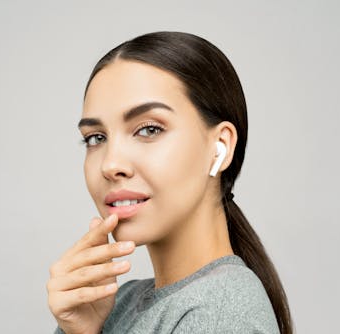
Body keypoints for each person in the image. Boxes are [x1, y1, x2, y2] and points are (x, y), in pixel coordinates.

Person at [46, 31, 294, 334]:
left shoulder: (220, 313)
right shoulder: (116, 305)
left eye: (148, 130)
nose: (111, 165)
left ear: (220, 147)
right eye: (96, 138)